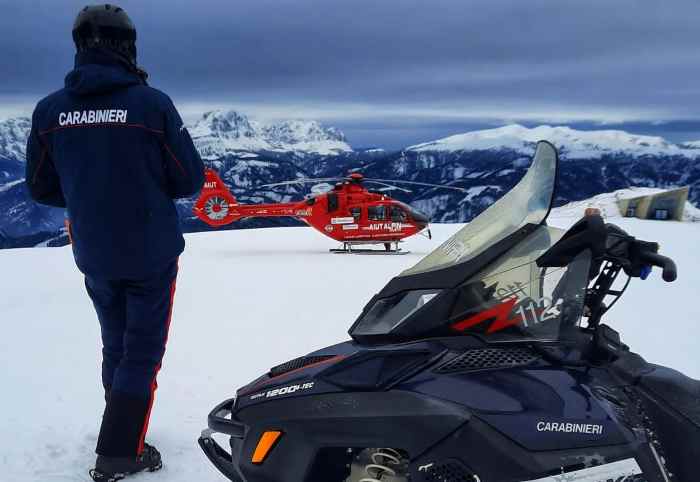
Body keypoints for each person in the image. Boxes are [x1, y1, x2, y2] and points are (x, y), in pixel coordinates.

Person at [25, 4, 204, 481]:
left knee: (116, 345)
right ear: (127, 46)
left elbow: (40, 187)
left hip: (94, 251)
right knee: (142, 352)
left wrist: (89, 197)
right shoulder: (152, 105)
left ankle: (121, 428)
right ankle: (121, 452)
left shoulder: (49, 111)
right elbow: (188, 180)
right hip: (151, 250)